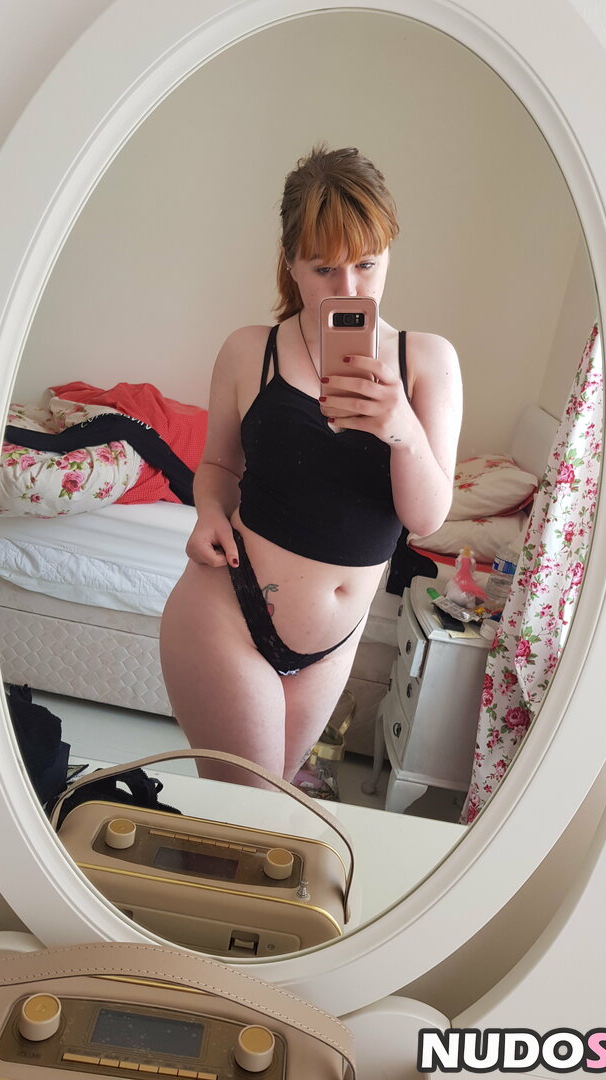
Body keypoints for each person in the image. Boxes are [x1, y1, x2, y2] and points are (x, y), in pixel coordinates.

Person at [159, 146, 462, 785]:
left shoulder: (427, 362)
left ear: (388, 255)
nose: (347, 289)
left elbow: (427, 520)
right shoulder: (250, 351)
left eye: (366, 264)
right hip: (228, 611)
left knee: (261, 816)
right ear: (290, 263)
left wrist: (403, 432)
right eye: (324, 268)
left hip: (332, 646)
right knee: (246, 816)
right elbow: (218, 466)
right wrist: (208, 511)